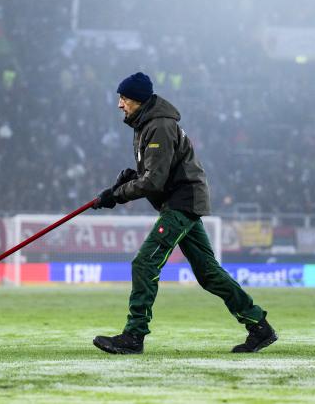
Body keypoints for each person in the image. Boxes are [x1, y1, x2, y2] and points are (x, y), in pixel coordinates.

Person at [92, 72, 277, 354]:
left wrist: (116, 195)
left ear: (139, 100)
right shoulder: (146, 124)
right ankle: (259, 326)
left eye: (124, 98)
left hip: (182, 203)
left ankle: (134, 336)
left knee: (144, 263)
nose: (120, 104)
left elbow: (154, 181)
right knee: (208, 273)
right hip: (182, 201)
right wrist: (129, 178)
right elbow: (155, 171)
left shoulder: (159, 126)